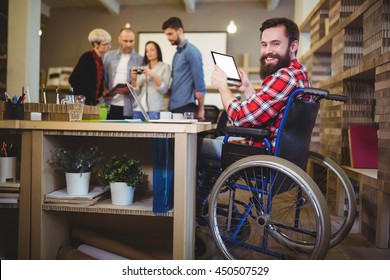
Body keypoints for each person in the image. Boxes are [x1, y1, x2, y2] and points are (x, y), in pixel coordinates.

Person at [200, 17, 311, 160]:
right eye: (264, 44)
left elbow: (240, 118)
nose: (268, 51)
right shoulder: (301, 73)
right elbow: (263, 112)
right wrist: (247, 88)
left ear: (293, 46)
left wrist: (222, 87)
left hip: (263, 153)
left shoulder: (284, 76)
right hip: (284, 153)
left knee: (197, 145)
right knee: (219, 140)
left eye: (275, 44)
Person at [162, 17, 206, 120]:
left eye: (170, 34)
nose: (168, 38)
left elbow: (199, 82)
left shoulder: (191, 51)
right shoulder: (177, 53)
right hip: (174, 105)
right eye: (166, 34)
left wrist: (201, 109)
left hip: (186, 106)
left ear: (180, 30)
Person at [103, 24, 144, 119]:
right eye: (125, 41)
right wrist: (104, 91)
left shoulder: (140, 59)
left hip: (129, 106)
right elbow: (103, 78)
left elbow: (141, 84)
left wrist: (130, 89)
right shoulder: (108, 56)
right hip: (109, 104)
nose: (129, 44)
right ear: (119, 39)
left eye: (131, 41)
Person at [69, 28, 112, 105]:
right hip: (84, 102)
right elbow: (73, 79)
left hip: (92, 102)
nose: (109, 46)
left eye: (109, 44)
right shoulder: (87, 57)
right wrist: (84, 98)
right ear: (96, 44)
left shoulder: (99, 60)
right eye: (106, 44)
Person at [131, 41, 171, 120]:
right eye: (147, 51)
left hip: (155, 108)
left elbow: (164, 90)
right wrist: (133, 78)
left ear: (158, 51)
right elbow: (136, 92)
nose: (149, 53)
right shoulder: (142, 68)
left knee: (154, 132)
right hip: (138, 109)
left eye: (152, 50)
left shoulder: (165, 67)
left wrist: (152, 75)